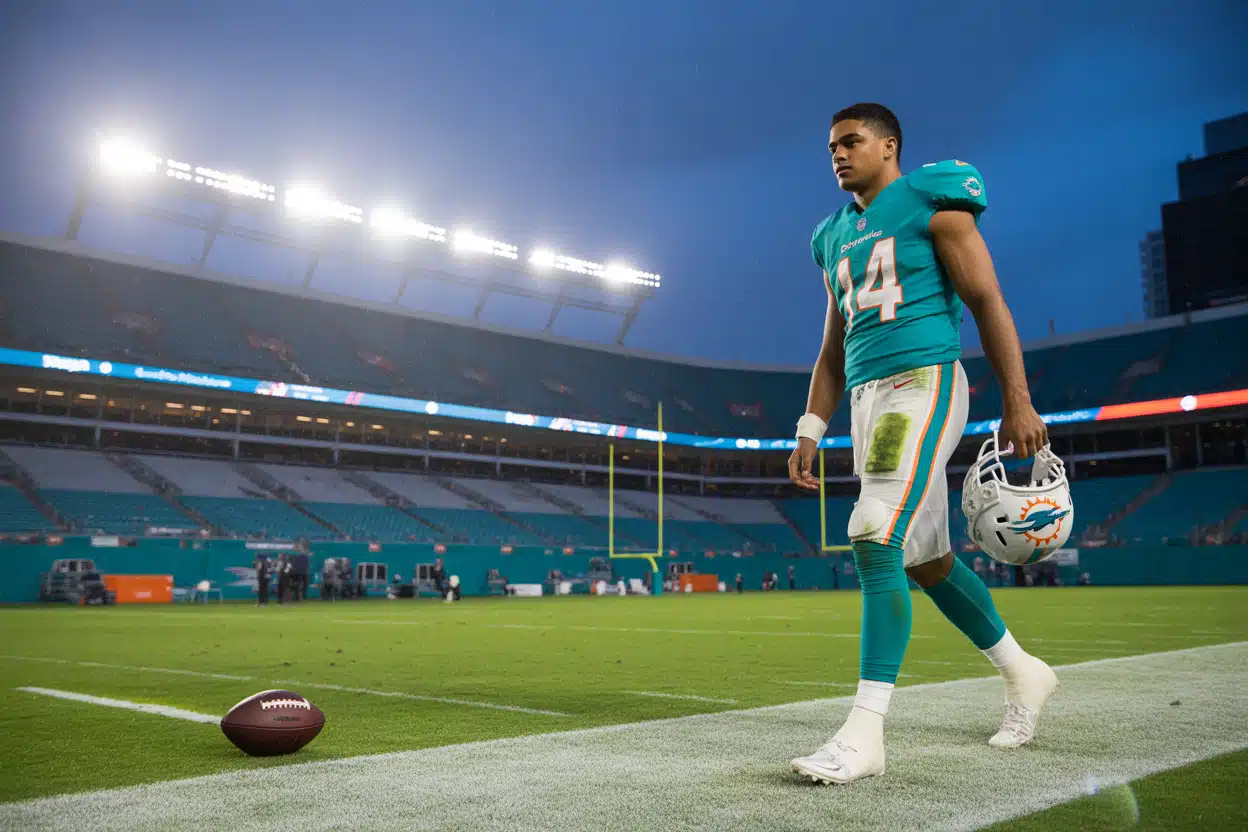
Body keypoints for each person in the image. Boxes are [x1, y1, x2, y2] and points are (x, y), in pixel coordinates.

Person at [787, 103, 1057, 785]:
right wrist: (810, 429)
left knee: (874, 532)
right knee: (926, 561)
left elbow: (988, 299)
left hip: (922, 382)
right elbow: (830, 348)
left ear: (889, 145)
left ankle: (864, 733)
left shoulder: (929, 200)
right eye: (830, 147)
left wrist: (1017, 400)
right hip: (867, 402)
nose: (838, 155)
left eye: (851, 142)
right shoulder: (832, 236)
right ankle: (1024, 673)